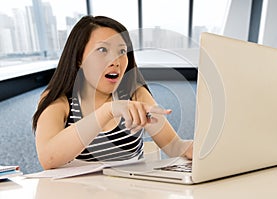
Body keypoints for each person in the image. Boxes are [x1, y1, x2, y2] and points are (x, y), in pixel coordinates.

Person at [32, 15, 193, 170]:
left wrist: (190, 147)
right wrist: (107, 111)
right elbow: (48, 159)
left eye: (122, 52)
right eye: (102, 49)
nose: (115, 61)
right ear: (79, 58)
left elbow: (173, 146)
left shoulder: (135, 94)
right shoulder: (59, 101)